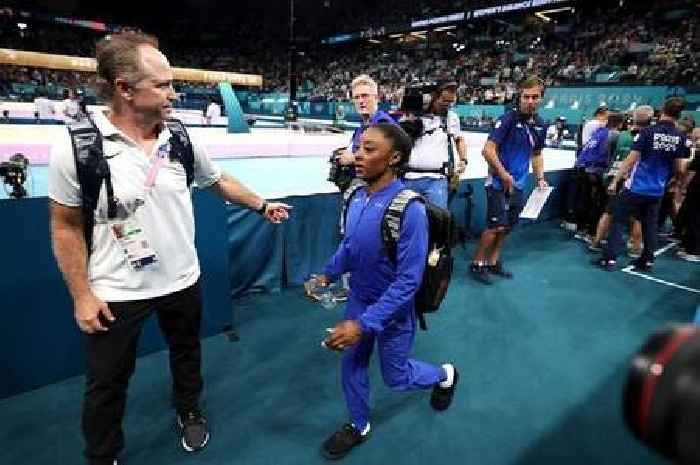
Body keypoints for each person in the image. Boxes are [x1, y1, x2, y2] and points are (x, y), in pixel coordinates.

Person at [48, 32, 291, 465]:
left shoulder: (179, 137)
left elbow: (218, 182)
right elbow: (65, 225)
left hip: (182, 278)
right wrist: (82, 294)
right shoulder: (76, 146)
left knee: (186, 353)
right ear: (124, 88)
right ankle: (103, 455)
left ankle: (189, 407)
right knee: (106, 384)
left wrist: (262, 205)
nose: (173, 93)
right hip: (115, 291)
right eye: (161, 85)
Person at [314, 123, 458, 460]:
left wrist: (363, 324)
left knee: (397, 377)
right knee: (352, 365)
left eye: (369, 149)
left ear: (394, 158)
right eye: (359, 147)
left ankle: (444, 375)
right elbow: (350, 246)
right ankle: (359, 424)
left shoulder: (411, 211)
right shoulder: (355, 195)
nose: (358, 156)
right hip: (359, 299)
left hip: (393, 311)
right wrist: (328, 274)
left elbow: (408, 282)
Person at [595, 97, 690, 271]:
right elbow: (680, 168)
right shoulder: (680, 137)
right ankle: (647, 260)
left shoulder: (648, 132)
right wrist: (676, 183)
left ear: (662, 110)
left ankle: (609, 259)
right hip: (657, 190)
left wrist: (615, 181)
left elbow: (631, 160)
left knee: (618, 221)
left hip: (636, 187)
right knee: (650, 226)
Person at [470, 76, 548, 284]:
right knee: (495, 226)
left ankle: (493, 261)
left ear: (541, 99)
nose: (530, 101)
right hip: (497, 183)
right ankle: (477, 263)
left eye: (535, 97)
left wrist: (540, 177)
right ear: (519, 97)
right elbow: (488, 150)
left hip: (519, 185)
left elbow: (537, 154)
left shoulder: (541, 125)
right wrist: (503, 173)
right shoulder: (508, 120)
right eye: (526, 97)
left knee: (507, 227)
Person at [589, 106, 653, 254]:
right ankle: (636, 248)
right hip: (629, 179)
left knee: (609, 211)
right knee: (636, 216)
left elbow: (610, 154)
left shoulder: (619, 135)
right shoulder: (646, 138)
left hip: (612, 175)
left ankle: (596, 241)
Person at [402, 81, 467, 209]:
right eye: (444, 101)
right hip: (409, 177)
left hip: (437, 179)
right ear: (434, 97)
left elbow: (459, 139)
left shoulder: (451, 118)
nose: (447, 105)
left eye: (451, 102)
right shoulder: (411, 115)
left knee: (438, 220)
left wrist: (463, 160)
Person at [338, 75, 395, 178]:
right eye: (356, 97)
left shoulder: (384, 124)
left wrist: (353, 159)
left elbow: (387, 158)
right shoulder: (361, 128)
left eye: (365, 96)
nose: (360, 101)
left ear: (376, 98)